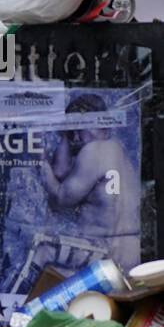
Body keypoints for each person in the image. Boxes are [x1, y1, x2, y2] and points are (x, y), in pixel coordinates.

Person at [39, 93, 140, 268]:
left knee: (43, 249)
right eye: (72, 132)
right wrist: (67, 134)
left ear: (103, 127)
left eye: (81, 128)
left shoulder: (95, 151)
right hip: (129, 256)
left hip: (106, 254)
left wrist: (38, 158)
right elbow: (60, 172)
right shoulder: (121, 156)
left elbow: (59, 199)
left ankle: (18, 297)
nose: (76, 138)